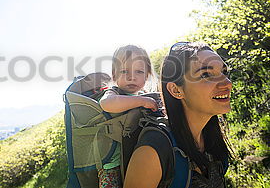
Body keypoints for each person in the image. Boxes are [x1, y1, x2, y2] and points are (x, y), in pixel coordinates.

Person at [124, 42, 233, 188]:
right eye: (206, 74)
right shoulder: (153, 151)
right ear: (176, 90)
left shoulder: (211, 139)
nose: (227, 83)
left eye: (224, 72)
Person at [98, 44, 158, 188]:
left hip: (134, 157)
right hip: (112, 163)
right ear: (114, 75)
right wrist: (142, 101)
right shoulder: (115, 92)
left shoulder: (144, 95)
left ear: (147, 75)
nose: (132, 77)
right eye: (124, 71)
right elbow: (106, 103)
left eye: (139, 71)